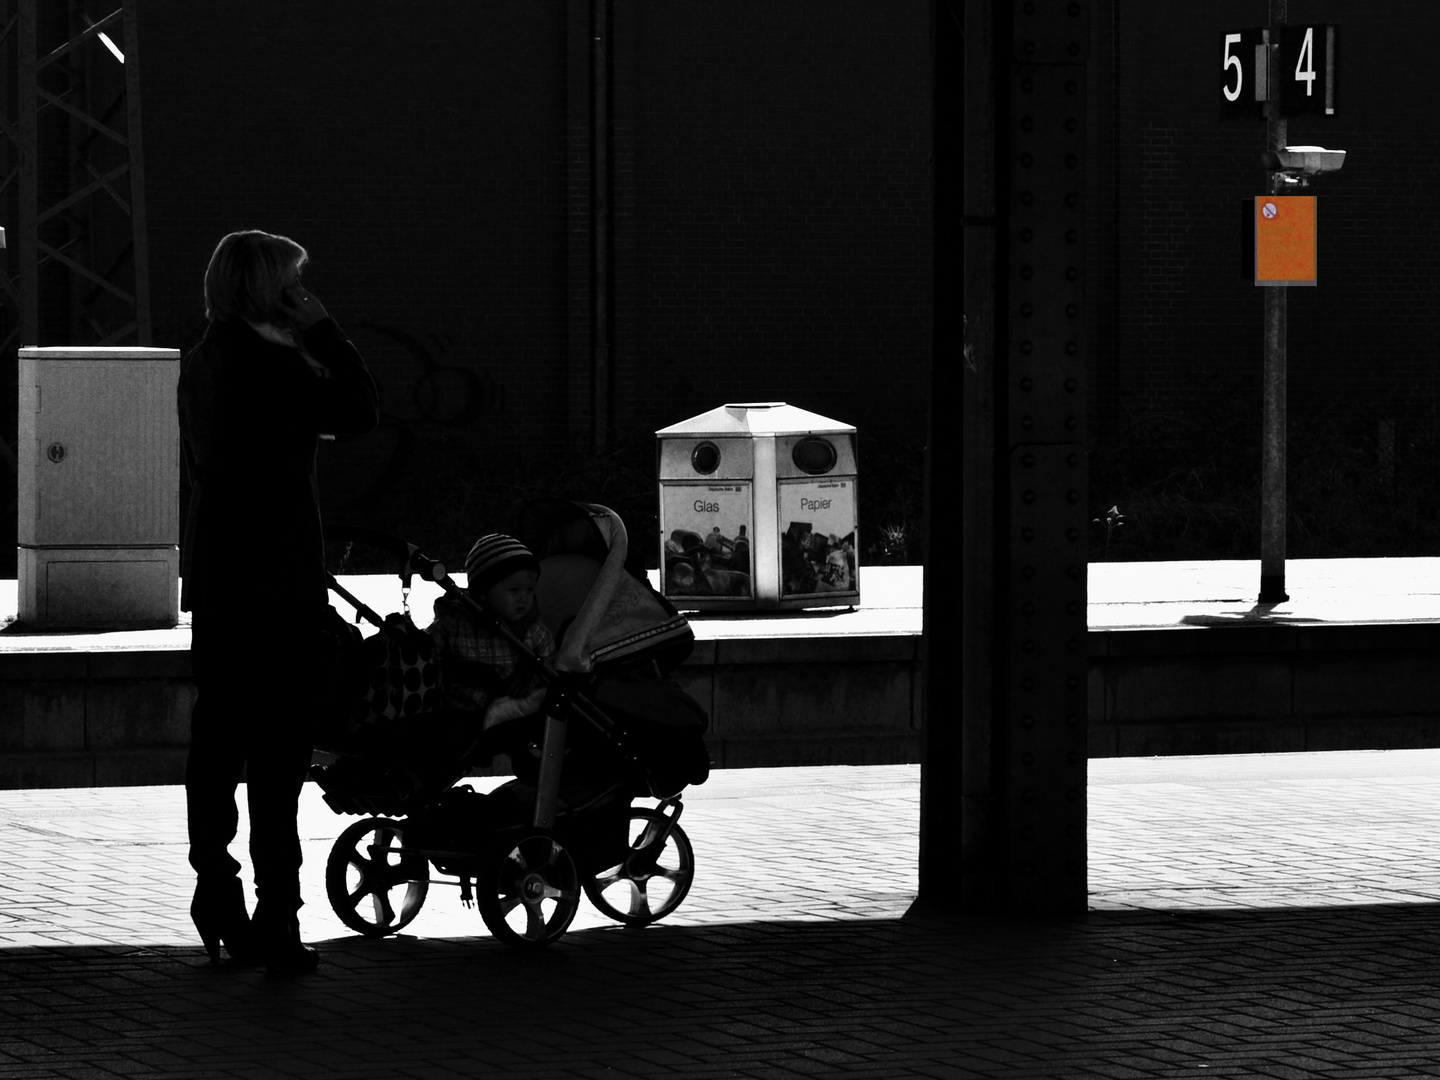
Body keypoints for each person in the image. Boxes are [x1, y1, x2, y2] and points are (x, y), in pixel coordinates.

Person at [178, 230, 379, 974]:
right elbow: (360, 410)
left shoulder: (207, 359)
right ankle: (278, 917)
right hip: (278, 581)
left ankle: (217, 892)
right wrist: (323, 328)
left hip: (223, 578)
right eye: (295, 283)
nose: (305, 292)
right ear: (271, 290)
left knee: (218, 744)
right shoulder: (275, 366)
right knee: (277, 757)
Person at [426, 534, 556, 734]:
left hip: (507, 718)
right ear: (483, 592)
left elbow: (550, 668)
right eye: (514, 590)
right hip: (455, 712)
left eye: (530, 590)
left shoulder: (533, 631)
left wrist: (529, 680)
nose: (524, 598)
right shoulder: (455, 623)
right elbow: (428, 651)